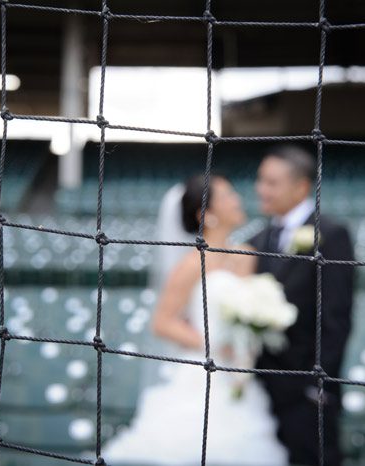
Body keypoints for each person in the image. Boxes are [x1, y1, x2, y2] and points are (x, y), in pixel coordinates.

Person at [100, 173, 289, 466]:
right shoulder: (190, 264)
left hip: (240, 374)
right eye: (227, 196)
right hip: (201, 371)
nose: (237, 200)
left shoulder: (247, 255)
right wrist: (213, 345)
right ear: (206, 214)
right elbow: (162, 322)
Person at [249, 145, 355, 466]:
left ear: (301, 187)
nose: (261, 189)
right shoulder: (257, 239)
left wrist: (319, 388)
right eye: (260, 180)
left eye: (271, 182)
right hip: (262, 390)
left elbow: (336, 318)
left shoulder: (332, 235)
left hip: (307, 395)